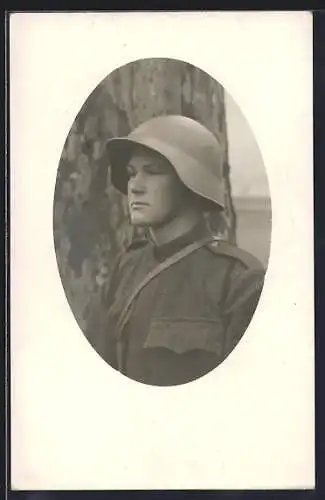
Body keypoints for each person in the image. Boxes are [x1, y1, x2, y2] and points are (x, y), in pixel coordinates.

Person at [99, 115, 265, 386]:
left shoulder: (238, 280)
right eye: (131, 173)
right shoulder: (126, 267)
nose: (135, 186)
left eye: (152, 172)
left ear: (191, 183)